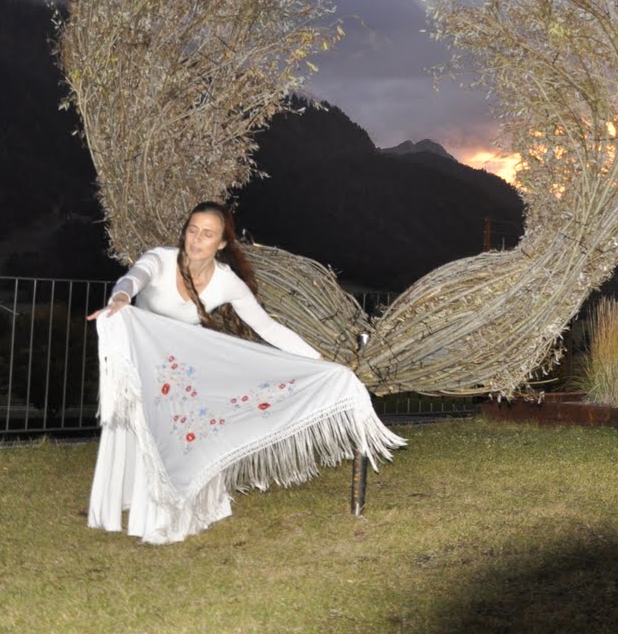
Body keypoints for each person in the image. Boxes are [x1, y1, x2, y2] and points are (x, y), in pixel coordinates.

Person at [85, 201, 403, 544]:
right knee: (151, 430)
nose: (196, 240)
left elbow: (268, 328)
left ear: (222, 243)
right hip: (145, 360)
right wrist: (120, 299)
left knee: (188, 435)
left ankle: (180, 505)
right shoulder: (161, 259)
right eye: (193, 230)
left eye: (207, 234)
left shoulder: (226, 281)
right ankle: (146, 498)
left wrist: (319, 360)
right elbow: (133, 278)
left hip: (184, 369)